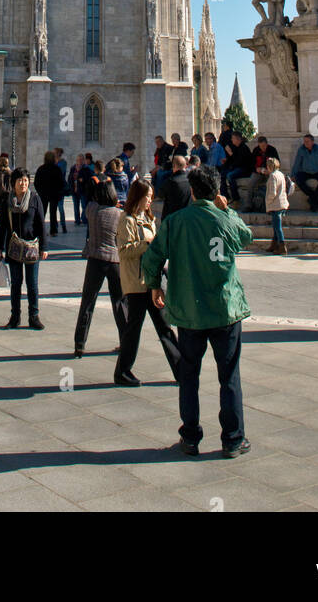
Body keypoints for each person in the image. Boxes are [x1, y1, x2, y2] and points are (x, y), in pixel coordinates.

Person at [142, 164, 253, 458]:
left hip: (189, 312)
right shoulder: (225, 219)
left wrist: (155, 286)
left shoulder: (176, 222)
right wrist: (227, 210)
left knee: (189, 374)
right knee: (229, 375)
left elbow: (151, 259)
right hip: (225, 310)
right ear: (217, 192)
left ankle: (190, 437)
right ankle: (232, 439)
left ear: (192, 191)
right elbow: (246, 237)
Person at [115, 179, 180, 386]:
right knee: (134, 329)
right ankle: (122, 372)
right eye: (147, 197)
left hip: (151, 281)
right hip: (136, 282)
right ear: (138, 197)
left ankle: (181, 369)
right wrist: (147, 244)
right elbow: (124, 251)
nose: (150, 200)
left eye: (151, 197)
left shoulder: (149, 218)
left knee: (164, 326)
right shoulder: (127, 220)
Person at [73, 178, 128, 357]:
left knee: (88, 302)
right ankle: (126, 341)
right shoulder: (119, 214)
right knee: (119, 302)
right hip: (114, 261)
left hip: (95, 259)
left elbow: (90, 199)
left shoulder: (91, 210)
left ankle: (79, 344)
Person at [0, 167, 47, 329]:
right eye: (20, 180)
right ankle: (15, 316)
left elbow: (40, 224)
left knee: (32, 284)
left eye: (25, 180)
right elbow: (2, 226)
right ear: (13, 183)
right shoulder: (7, 201)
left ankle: (34, 316)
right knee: (16, 283)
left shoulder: (34, 199)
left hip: (31, 246)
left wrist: (44, 247)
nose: (23, 183)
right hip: (14, 248)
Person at [291, 135, 318, 211]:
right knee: (299, 180)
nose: (305, 143)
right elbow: (297, 162)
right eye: (304, 141)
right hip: (305, 171)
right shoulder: (301, 149)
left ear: (312, 142)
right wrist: (293, 174)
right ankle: (314, 197)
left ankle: (313, 201)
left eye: (307, 141)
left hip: (317, 171)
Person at [242, 136, 280, 212]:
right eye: (261, 146)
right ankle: (248, 205)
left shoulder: (272, 150)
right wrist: (257, 169)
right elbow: (251, 164)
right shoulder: (256, 150)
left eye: (264, 146)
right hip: (258, 172)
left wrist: (270, 170)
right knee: (250, 184)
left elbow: (277, 163)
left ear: (267, 144)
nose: (263, 148)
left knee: (271, 184)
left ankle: (270, 206)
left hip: (270, 172)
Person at [34, 149, 66, 237]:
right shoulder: (57, 169)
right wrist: (58, 192)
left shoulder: (41, 169)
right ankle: (53, 230)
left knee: (42, 212)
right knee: (53, 212)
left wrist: (40, 192)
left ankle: (40, 230)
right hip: (54, 194)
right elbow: (61, 182)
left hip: (43, 194)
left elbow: (36, 182)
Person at [221, 132, 253, 206]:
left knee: (230, 176)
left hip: (244, 169)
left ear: (237, 139)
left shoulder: (244, 148)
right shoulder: (235, 147)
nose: (232, 140)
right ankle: (225, 196)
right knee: (223, 174)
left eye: (233, 138)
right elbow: (233, 160)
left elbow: (239, 162)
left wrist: (231, 153)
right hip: (237, 168)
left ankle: (236, 198)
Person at [264, 157, 289, 254]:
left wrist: (268, 201)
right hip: (282, 203)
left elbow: (272, 192)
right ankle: (274, 244)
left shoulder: (273, 176)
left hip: (275, 205)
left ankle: (282, 246)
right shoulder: (280, 174)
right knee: (275, 226)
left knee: (277, 227)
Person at [161, 154, 191, 221]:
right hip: (188, 218)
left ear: (174, 166)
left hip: (174, 219)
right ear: (185, 166)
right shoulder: (191, 181)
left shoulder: (171, 181)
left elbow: (162, 195)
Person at [68, 152, 86, 225]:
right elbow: (69, 178)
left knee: (84, 206)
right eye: (78, 160)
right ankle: (77, 220)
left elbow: (87, 177)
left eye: (81, 160)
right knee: (76, 206)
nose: (79, 161)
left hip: (82, 190)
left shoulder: (85, 168)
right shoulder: (73, 168)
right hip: (74, 190)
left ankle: (83, 218)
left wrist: (83, 179)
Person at [54, 147, 68, 232]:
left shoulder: (63, 163)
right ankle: (54, 226)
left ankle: (63, 225)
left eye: (55, 152)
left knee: (60, 207)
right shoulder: (53, 163)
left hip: (60, 188)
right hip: (53, 188)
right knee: (54, 208)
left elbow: (60, 173)